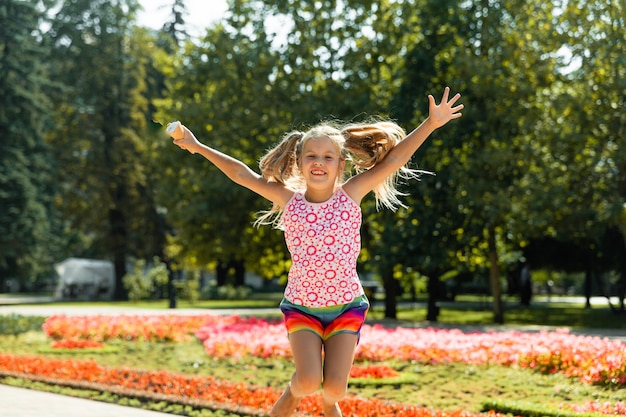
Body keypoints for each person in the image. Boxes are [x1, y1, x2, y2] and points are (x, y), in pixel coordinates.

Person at [171, 87, 463, 417]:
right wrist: (196, 146)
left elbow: (395, 158)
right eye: (311, 156)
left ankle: (329, 403)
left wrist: (430, 124)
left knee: (335, 388)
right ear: (299, 162)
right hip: (302, 308)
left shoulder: (352, 194)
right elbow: (242, 174)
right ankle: (296, 394)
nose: (319, 162)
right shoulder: (289, 201)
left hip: (347, 306)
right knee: (308, 380)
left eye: (328, 157)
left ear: (341, 164)